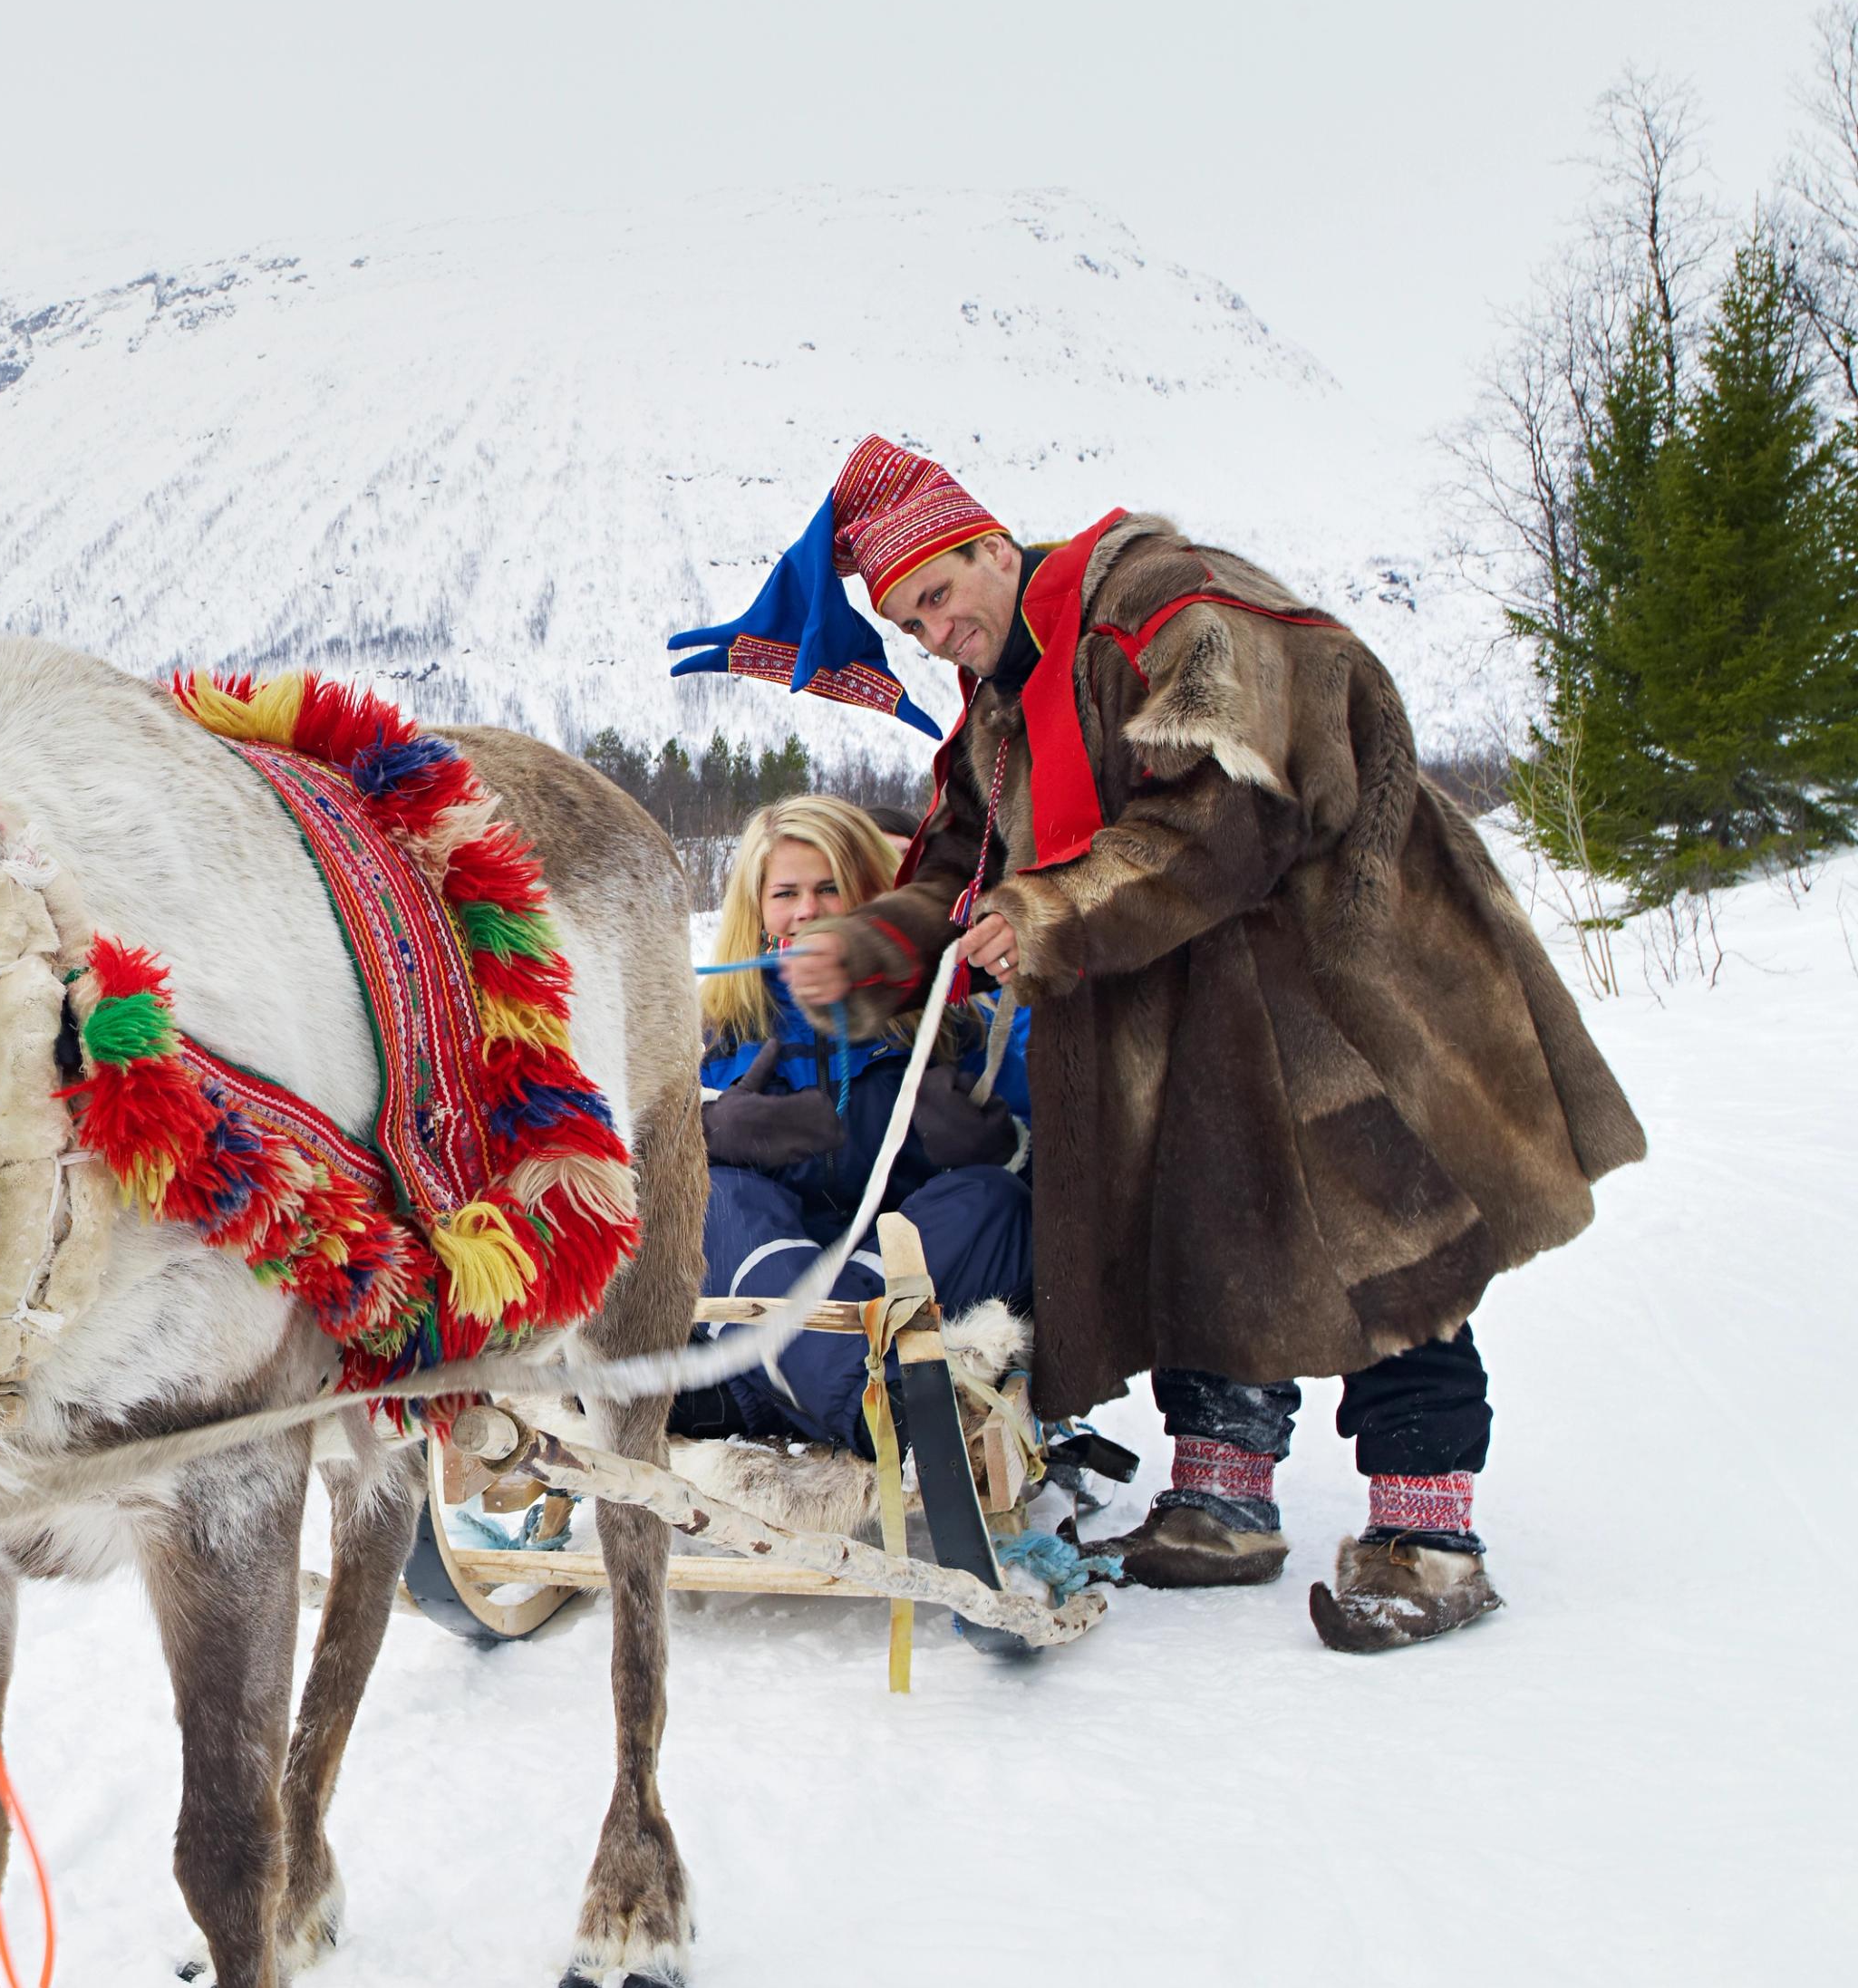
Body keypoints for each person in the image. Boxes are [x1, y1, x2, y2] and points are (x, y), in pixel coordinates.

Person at [715, 436, 1644, 1651]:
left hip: (1332, 971)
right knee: (1199, 1213)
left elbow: (1233, 801)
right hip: (1180, 991)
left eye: (940, 594)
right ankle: (1223, 1500)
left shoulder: (1165, 604)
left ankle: (1429, 1535)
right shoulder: (1006, 707)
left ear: (994, 545)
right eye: (908, 621)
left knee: (1388, 1239)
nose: (934, 632)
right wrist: (882, 946)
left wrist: (1042, 912)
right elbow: (957, 861)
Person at [673, 794, 1032, 1450]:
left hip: (905, 1268)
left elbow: (1039, 1156)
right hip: (769, 1264)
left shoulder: (955, 1016)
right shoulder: (712, 1028)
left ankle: (789, 1388)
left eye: (830, 887)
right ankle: (869, 1405)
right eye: (785, 892)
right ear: (755, 907)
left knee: (998, 1199)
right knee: (713, 1197)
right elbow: (624, 1155)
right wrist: (709, 1131)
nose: (806, 910)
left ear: (871, 893)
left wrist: (999, 1145)